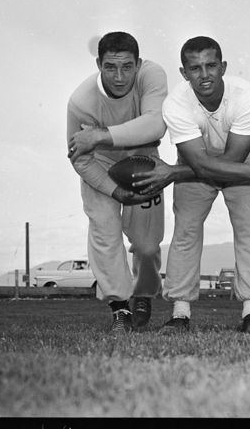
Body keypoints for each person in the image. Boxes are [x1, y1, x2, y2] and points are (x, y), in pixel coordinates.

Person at [131, 36, 250, 333]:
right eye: (195, 68)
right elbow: (201, 165)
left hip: (243, 158)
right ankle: (180, 313)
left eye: (211, 65)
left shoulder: (247, 96)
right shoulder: (175, 104)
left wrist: (173, 173)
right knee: (185, 230)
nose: (204, 74)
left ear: (223, 67)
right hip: (196, 162)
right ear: (184, 73)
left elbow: (233, 162)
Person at [66, 31, 168, 334]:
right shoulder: (81, 101)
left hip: (142, 160)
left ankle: (144, 295)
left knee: (147, 246)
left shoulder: (152, 74)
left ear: (138, 63)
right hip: (100, 164)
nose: (120, 76)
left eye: (127, 66)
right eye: (111, 67)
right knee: (105, 233)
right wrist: (114, 190)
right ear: (99, 64)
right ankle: (119, 307)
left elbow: (155, 124)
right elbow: (79, 157)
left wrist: (99, 134)